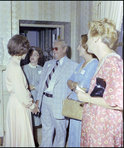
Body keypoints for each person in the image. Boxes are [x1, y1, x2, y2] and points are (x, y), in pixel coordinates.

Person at [76, 18, 123, 147]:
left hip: (104, 130)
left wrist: (87, 98)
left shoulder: (112, 62)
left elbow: (119, 103)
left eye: (89, 36)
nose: (87, 42)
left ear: (96, 38)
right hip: (96, 129)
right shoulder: (103, 61)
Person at [36, 39, 78, 147]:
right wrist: (38, 100)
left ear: (64, 49)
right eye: (52, 48)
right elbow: (41, 84)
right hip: (45, 100)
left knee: (60, 133)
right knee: (46, 130)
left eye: (56, 48)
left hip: (60, 103)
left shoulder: (73, 65)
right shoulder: (48, 64)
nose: (53, 51)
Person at [4, 34, 39, 147]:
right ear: (22, 50)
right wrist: (32, 105)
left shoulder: (12, 62)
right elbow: (21, 93)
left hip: (15, 102)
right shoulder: (15, 67)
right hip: (20, 104)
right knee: (22, 135)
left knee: (16, 135)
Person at [67, 34, 98, 147]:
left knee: (81, 136)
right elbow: (69, 81)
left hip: (84, 106)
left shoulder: (94, 64)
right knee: (73, 135)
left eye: (80, 45)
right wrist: (75, 84)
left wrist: (74, 85)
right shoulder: (81, 64)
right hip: (75, 105)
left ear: (86, 47)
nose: (78, 48)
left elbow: (84, 88)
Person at [22, 46, 43, 146]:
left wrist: (33, 86)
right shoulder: (24, 68)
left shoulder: (42, 69)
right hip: (28, 98)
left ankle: (35, 141)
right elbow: (24, 86)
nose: (32, 56)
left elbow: (43, 86)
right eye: (31, 54)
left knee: (36, 122)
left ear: (39, 57)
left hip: (38, 97)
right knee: (27, 121)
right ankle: (29, 142)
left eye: (35, 54)